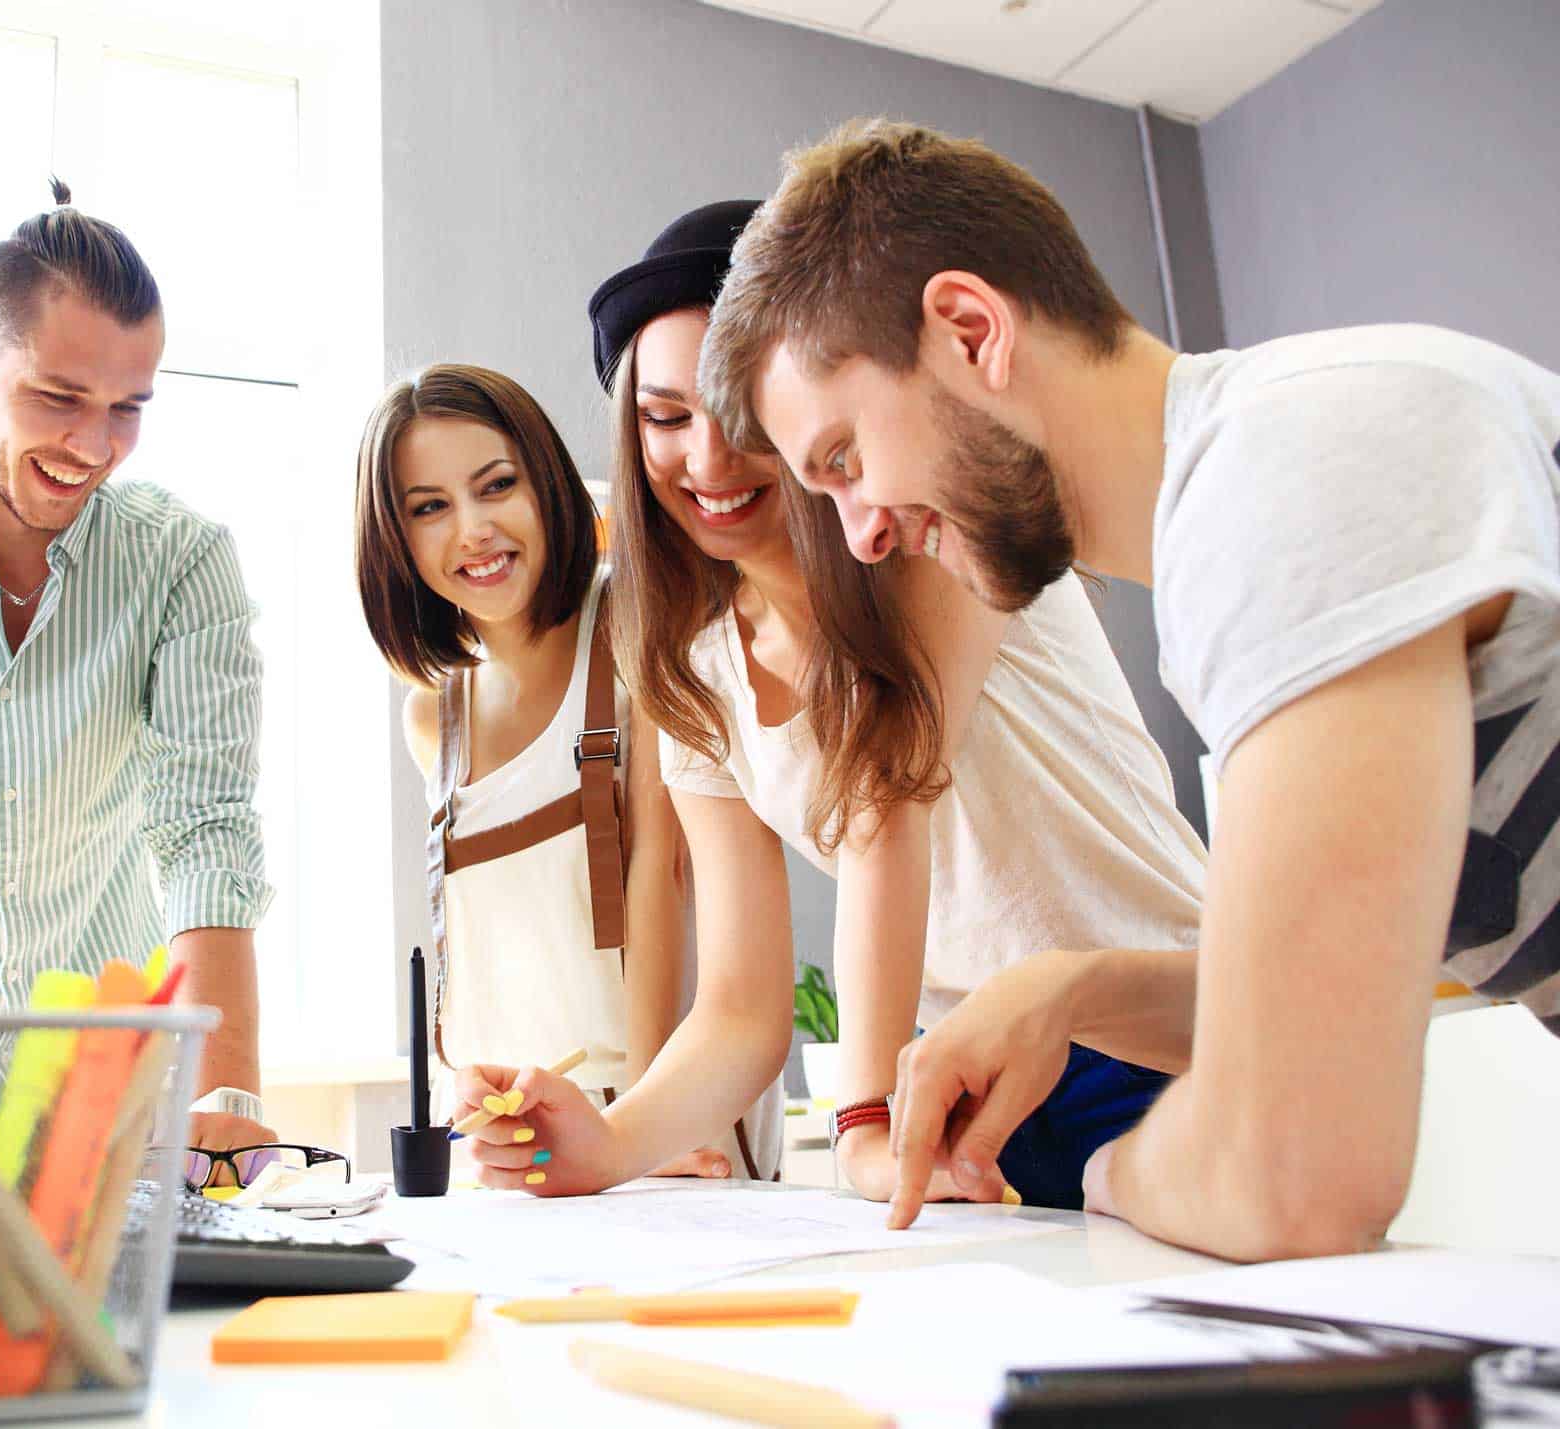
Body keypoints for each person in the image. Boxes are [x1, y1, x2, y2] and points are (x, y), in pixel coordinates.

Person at [700, 117, 1560, 1262]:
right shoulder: (1251, 505)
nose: (855, 538)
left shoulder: (1292, 467)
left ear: (968, 329)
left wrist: (1097, 1175)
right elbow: (1316, 998)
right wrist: (1075, 989)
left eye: (844, 459)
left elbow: (1286, 1178)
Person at [452, 202, 1209, 1207]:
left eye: (739, 414)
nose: (708, 461)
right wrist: (606, 1143)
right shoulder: (696, 671)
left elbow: (883, 799)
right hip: (976, 1082)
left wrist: (862, 1123)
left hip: (1166, 1034)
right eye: (666, 417)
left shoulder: (924, 530)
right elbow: (739, 1006)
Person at [0, 181, 276, 1189]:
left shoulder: (180, 561)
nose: (93, 445)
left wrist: (225, 1106)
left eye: (128, 408)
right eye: (59, 396)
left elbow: (206, 826)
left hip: (113, 1116)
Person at [354, 363, 777, 1177]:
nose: (473, 529)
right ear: (395, 541)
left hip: (658, 1121)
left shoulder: (637, 630)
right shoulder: (430, 720)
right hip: (513, 1147)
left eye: (497, 485)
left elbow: (662, 872)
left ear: (545, 484)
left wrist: (654, 1131)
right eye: (430, 508)